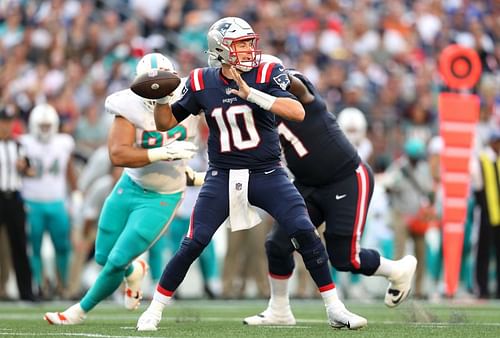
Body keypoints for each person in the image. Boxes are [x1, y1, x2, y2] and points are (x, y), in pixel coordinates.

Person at [136, 17, 367, 331]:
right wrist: (161, 97)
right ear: (221, 49)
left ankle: (335, 308)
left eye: (249, 42)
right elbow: (165, 123)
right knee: (194, 241)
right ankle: (154, 310)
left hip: (267, 172)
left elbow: (297, 111)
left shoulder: (267, 71)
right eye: (241, 43)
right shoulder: (202, 80)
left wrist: (252, 94)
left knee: (303, 229)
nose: (248, 49)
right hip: (222, 174)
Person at [241, 55, 417, 325]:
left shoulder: (294, 91)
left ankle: (397, 269)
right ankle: (278, 311)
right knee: (277, 244)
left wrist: (276, 78)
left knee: (346, 258)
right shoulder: (258, 112)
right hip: (307, 185)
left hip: (345, 178)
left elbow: (299, 87)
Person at [43, 52, 199, 325]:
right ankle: (135, 270)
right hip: (130, 183)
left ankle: (78, 312)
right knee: (103, 255)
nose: (157, 93)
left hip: (163, 196)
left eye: (163, 85)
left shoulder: (192, 92)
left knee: (116, 259)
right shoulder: (128, 104)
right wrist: (162, 153)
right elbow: (118, 154)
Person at [20, 103, 80, 299]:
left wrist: (76, 192)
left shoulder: (64, 142)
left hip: (57, 202)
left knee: (62, 246)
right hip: (31, 202)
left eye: (48, 126)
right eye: (42, 125)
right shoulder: (24, 142)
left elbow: (69, 169)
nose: (45, 129)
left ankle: (63, 286)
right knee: (33, 246)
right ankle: (38, 286)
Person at [0, 104, 36, 302]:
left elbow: (31, 171)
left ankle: (26, 291)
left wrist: (24, 168)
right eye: (3, 123)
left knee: (20, 245)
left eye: (8, 123)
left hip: (13, 198)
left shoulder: (19, 146)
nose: (6, 127)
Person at [471, 128, 500, 299]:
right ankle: (482, 288)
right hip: (485, 212)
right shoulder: (481, 160)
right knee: (483, 252)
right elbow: (477, 187)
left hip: (498, 214)